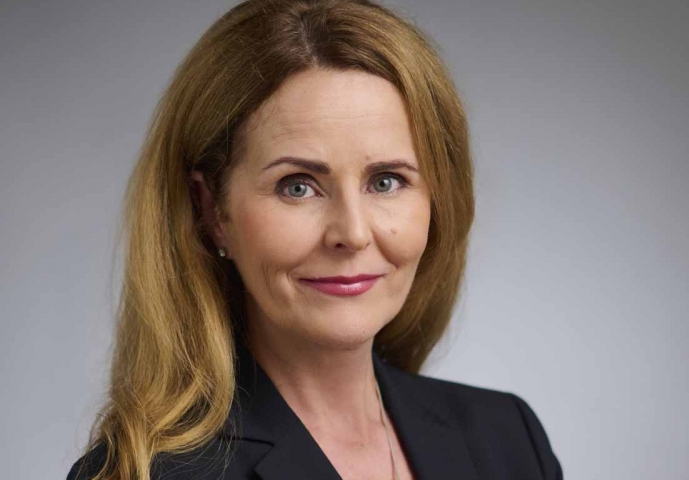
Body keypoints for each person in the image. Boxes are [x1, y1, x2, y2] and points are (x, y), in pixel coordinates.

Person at [67, 0, 563, 479]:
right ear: (212, 210)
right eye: (297, 186)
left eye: (386, 181)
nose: (352, 233)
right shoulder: (145, 474)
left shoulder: (507, 440)